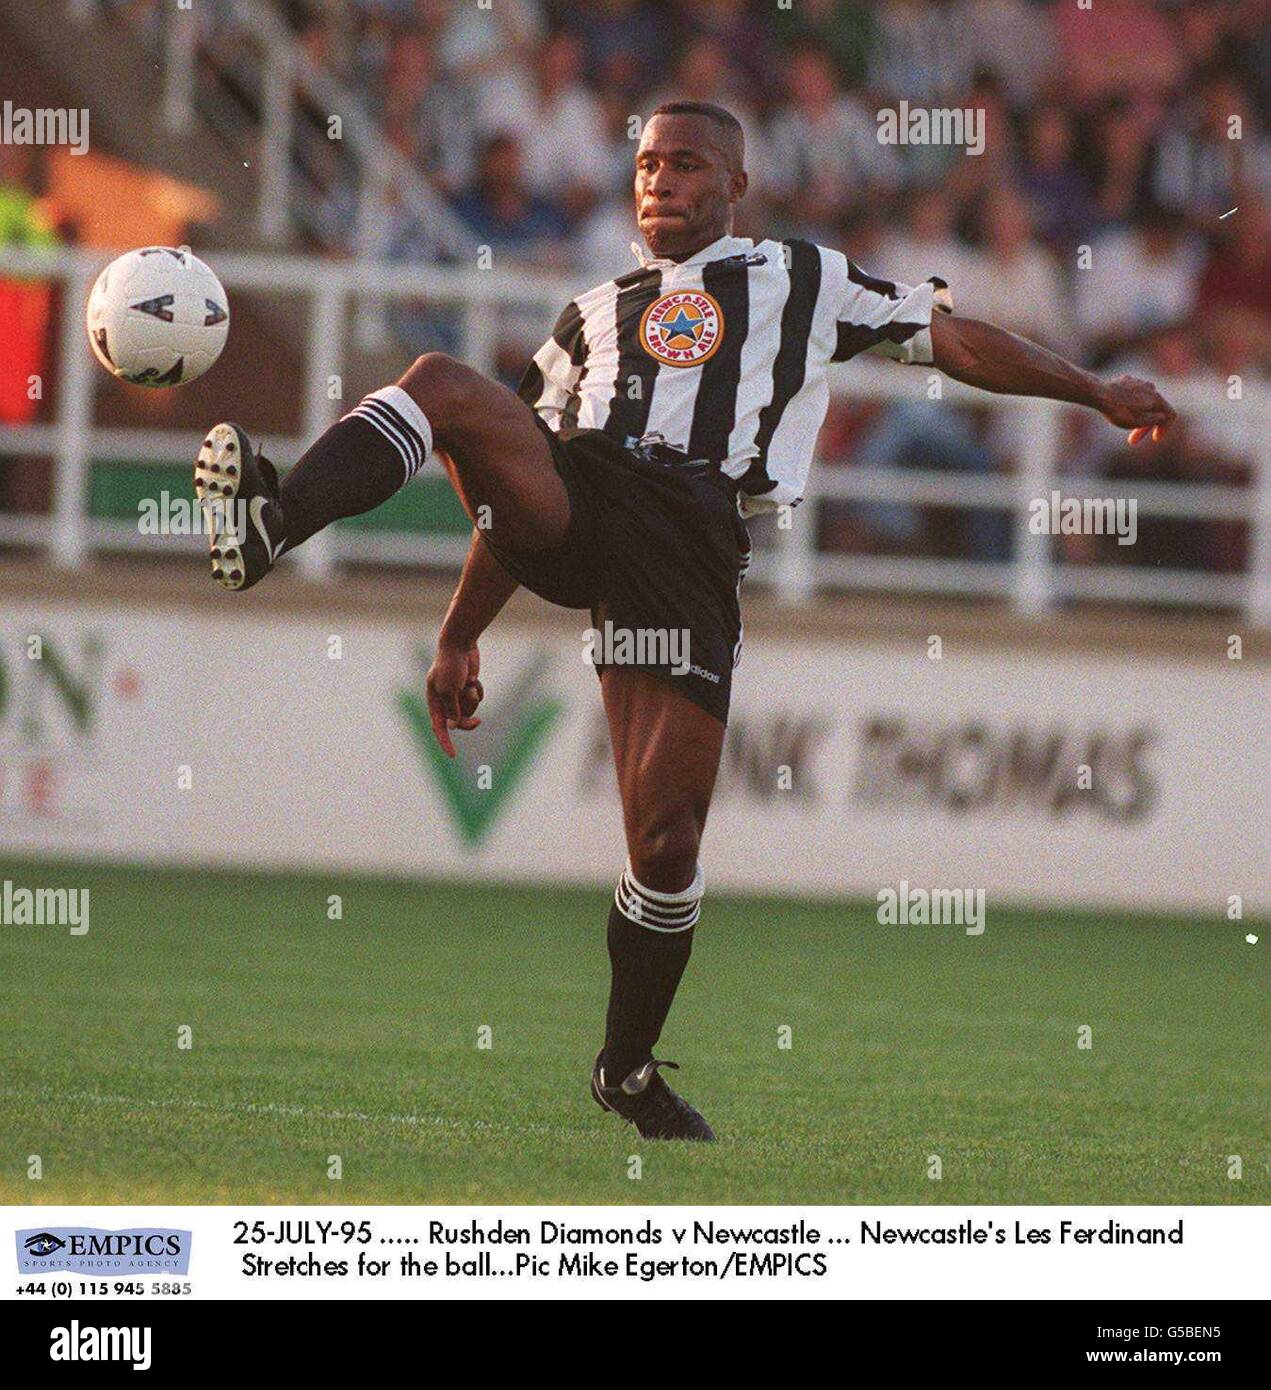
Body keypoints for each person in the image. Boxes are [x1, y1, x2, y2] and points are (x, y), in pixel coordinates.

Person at [192, 102, 1175, 1140]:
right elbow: (506, 479)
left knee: (664, 843)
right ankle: (273, 519)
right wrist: (457, 630)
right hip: (580, 497)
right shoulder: (586, 315)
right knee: (442, 386)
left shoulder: (800, 278)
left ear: (735, 186)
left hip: (687, 538)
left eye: (687, 163)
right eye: (647, 163)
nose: (659, 180)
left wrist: (1090, 389)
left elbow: (951, 338)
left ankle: (623, 1071)